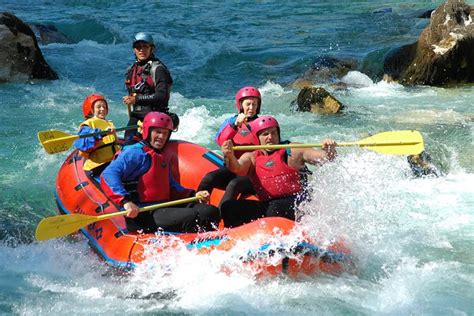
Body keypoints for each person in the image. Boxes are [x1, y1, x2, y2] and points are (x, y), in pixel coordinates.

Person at [100, 112, 220, 233]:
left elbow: (171, 185)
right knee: (193, 216)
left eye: (165, 133)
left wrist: (193, 195)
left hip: (163, 207)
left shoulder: (159, 155)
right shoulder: (135, 153)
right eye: (157, 132)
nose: (161, 137)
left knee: (209, 211)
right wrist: (126, 201)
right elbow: (108, 175)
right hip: (142, 213)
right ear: (147, 131)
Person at [220, 115, 337, 228]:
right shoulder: (252, 157)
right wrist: (229, 155)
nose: (270, 137)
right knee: (229, 207)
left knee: (275, 207)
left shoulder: (293, 150)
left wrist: (329, 151)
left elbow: (323, 159)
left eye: (273, 133)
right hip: (269, 205)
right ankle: (235, 239)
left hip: (297, 204)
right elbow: (237, 168)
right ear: (257, 138)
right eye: (265, 134)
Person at [197, 87, 261, 207]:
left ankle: (220, 216)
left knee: (234, 184)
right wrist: (235, 125)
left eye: (254, 104)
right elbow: (221, 141)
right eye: (248, 104)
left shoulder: (261, 124)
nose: (251, 108)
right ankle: (199, 211)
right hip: (232, 168)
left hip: (252, 173)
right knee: (209, 178)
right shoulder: (229, 122)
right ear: (241, 105)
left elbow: (273, 144)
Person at [123, 32, 179, 144]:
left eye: (145, 46)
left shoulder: (158, 69)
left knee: (151, 150)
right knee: (128, 144)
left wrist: (136, 99)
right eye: (138, 47)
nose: (141, 50)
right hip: (137, 117)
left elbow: (161, 96)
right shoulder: (131, 70)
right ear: (134, 50)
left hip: (156, 117)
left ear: (152, 49)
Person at [74, 93, 119, 177]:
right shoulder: (87, 125)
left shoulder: (109, 123)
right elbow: (83, 144)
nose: (102, 109)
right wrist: (101, 134)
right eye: (98, 107)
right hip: (98, 166)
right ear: (91, 110)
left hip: (112, 162)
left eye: (104, 107)